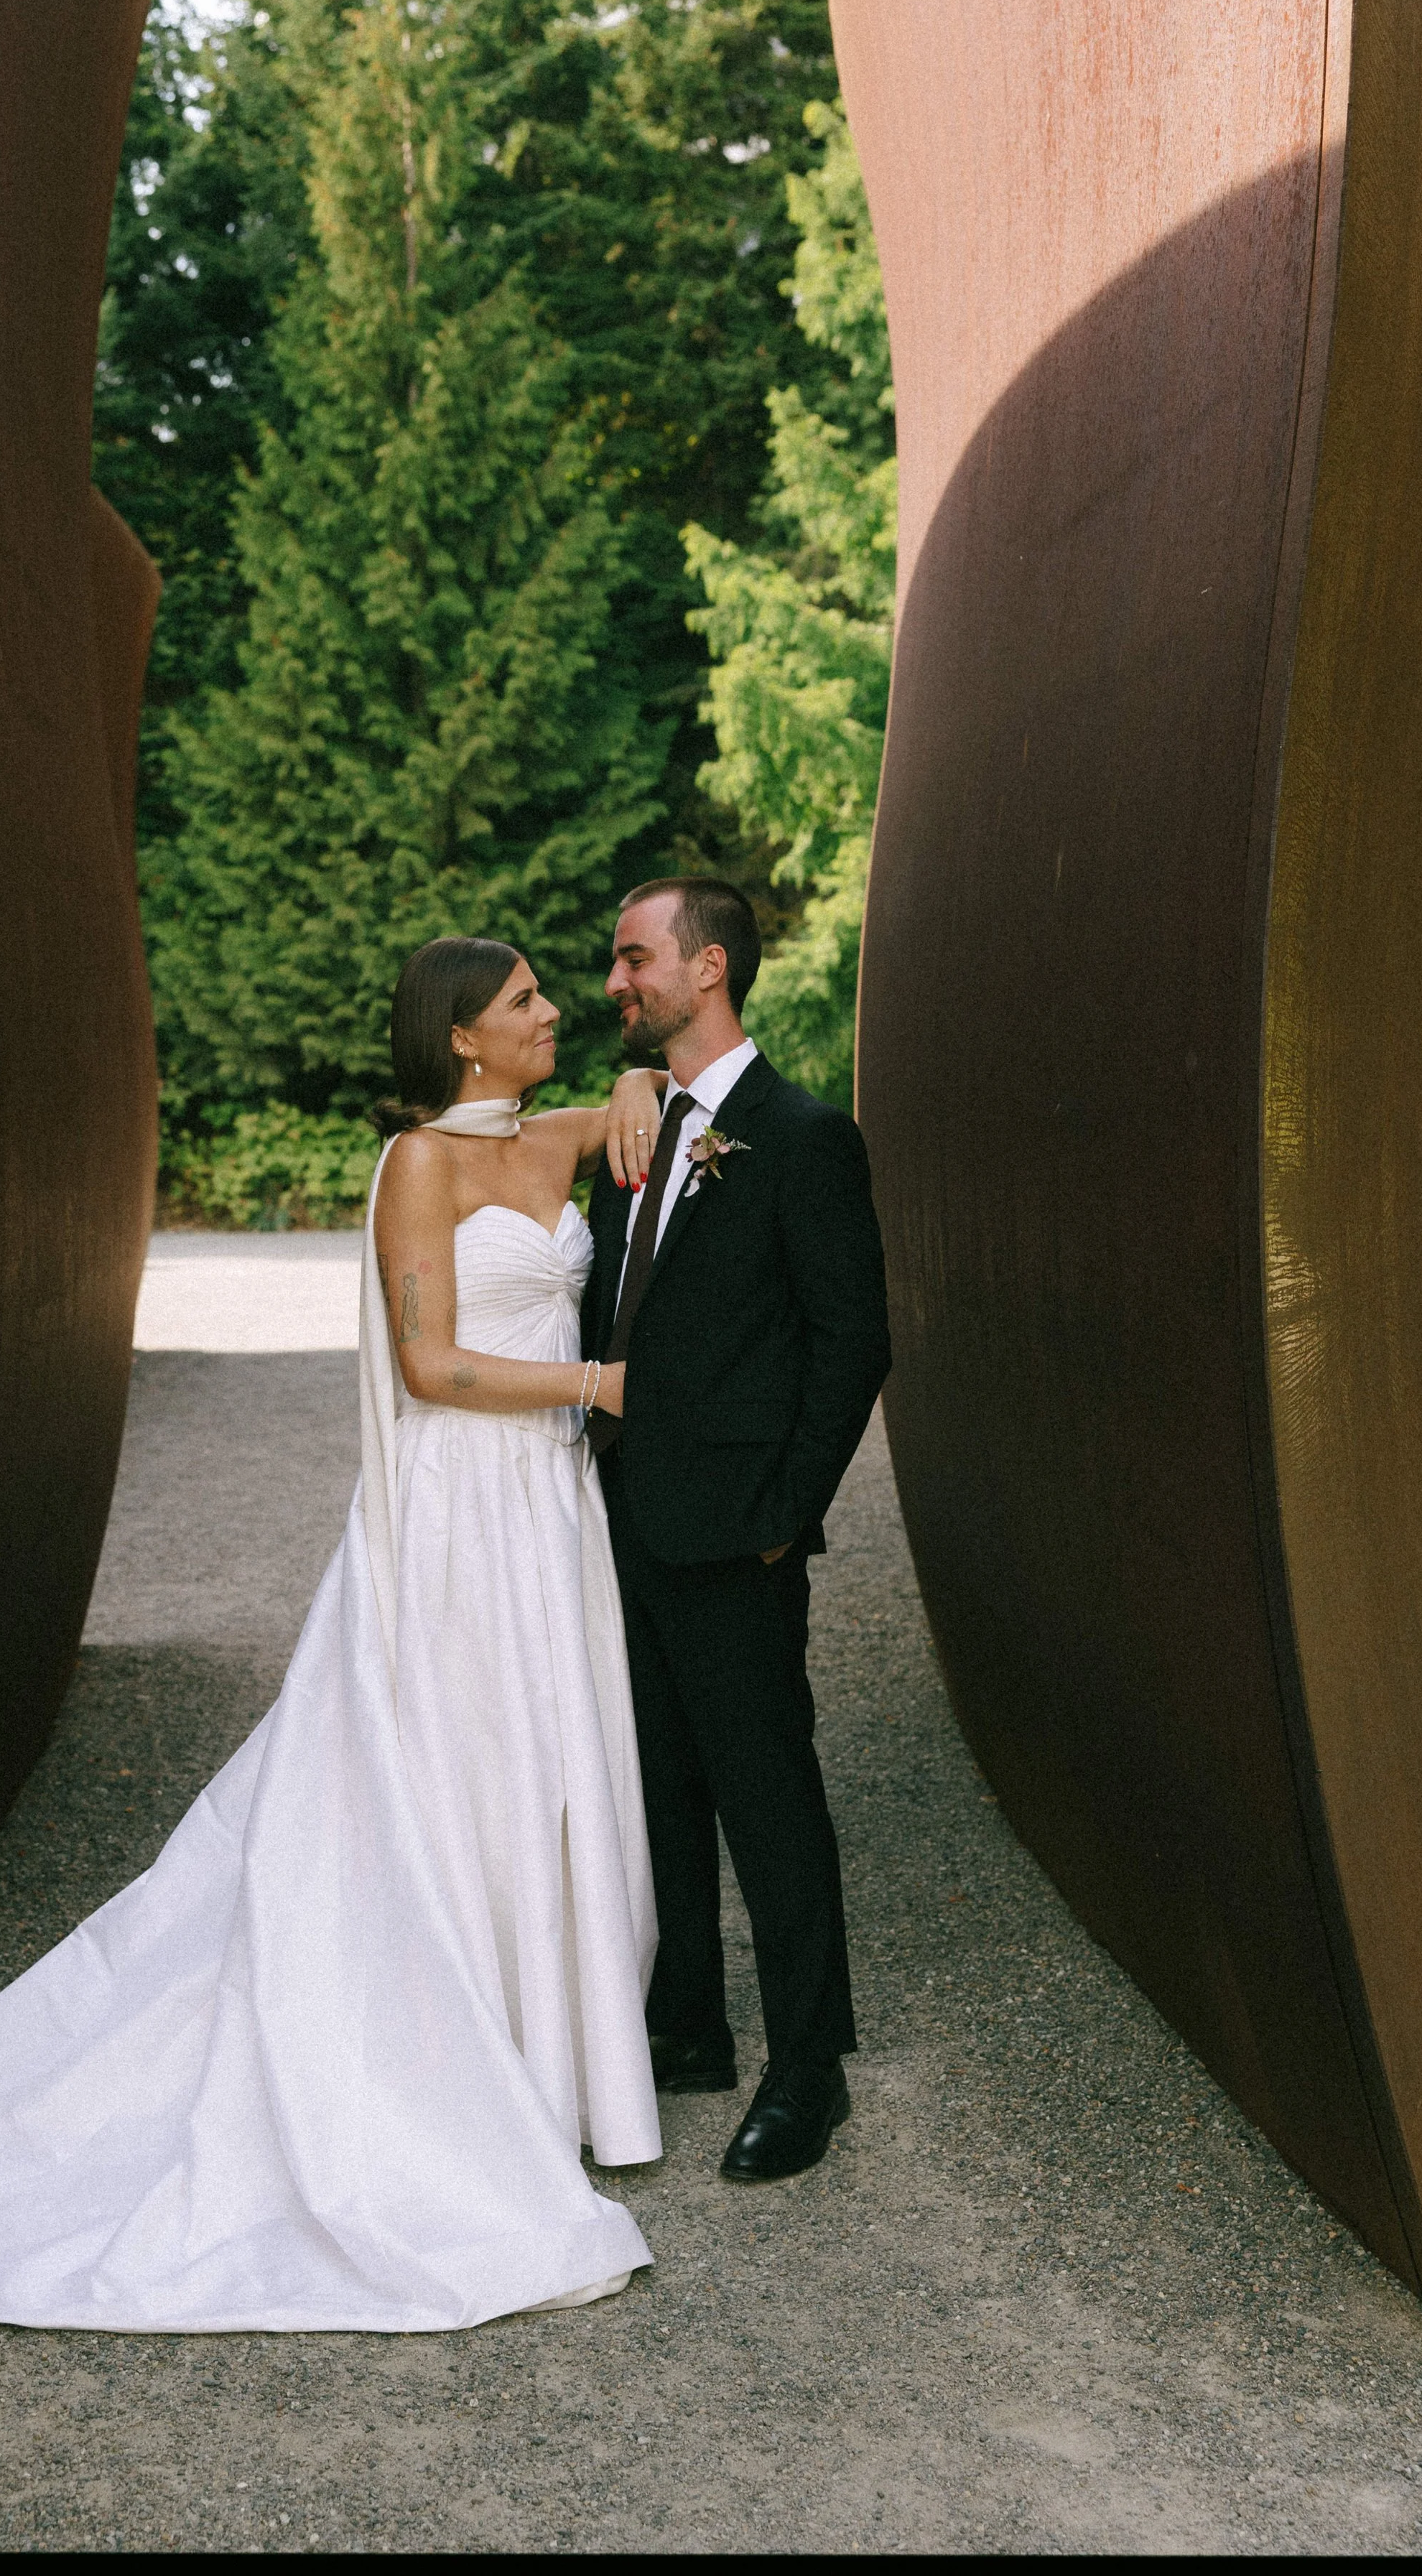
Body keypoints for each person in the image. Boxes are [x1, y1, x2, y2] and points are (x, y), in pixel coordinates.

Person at [0, 938, 671, 2333]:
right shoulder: (419, 1169)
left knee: (549, 1756)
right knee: (461, 1759)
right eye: (524, 1001)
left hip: (546, 1509)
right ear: (462, 1038)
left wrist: (643, 1073)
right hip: (465, 1505)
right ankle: (448, 2064)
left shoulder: (561, 1136)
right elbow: (429, 1365)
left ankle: (552, 2059)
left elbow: (646, 1091)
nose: (553, 1015)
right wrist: (596, 1380)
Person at [581, 878, 891, 2183]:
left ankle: (807, 2066)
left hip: (737, 1535)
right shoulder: (637, 1125)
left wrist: (782, 1517)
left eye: (632, 957)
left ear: (707, 968)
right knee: (658, 1787)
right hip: (624, 1526)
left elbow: (852, 1341)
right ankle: (688, 2026)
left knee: (770, 1799)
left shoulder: (804, 1135)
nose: (614, 981)